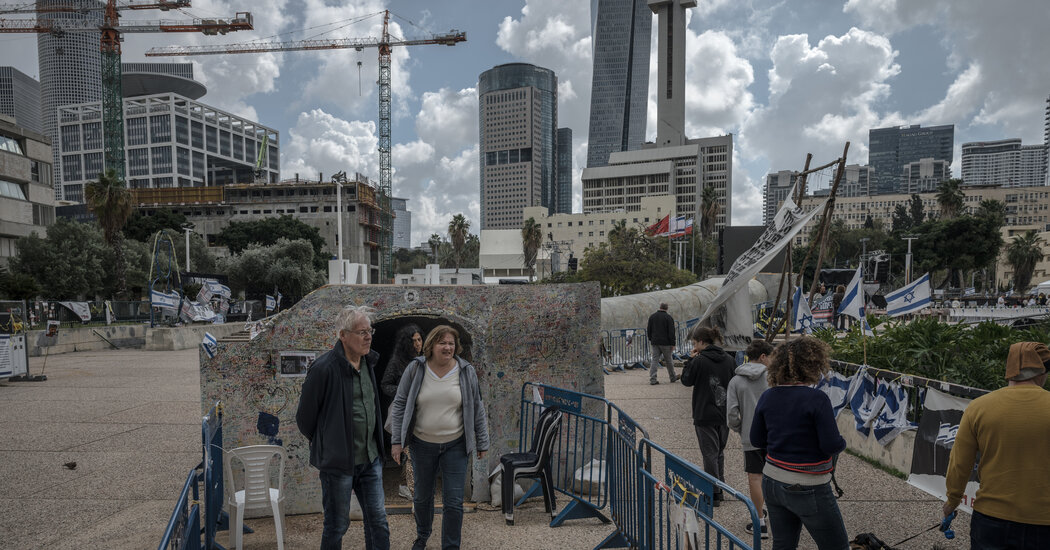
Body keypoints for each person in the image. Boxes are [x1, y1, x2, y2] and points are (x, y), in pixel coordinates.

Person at [296, 305, 390, 550]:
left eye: (370, 330)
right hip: (338, 465)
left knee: (378, 521)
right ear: (343, 335)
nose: (368, 336)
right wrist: (330, 443)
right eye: (361, 332)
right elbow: (305, 419)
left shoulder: (370, 363)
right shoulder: (323, 369)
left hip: (370, 459)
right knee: (337, 525)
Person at [390, 325, 490, 550]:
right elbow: (399, 404)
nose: (447, 347)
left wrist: (482, 441)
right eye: (442, 342)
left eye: (451, 343)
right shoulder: (416, 369)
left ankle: (451, 546)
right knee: (423, 498)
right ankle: (423, 535)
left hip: (456, 445)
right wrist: (397, 441)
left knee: (453, 503)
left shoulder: (466, 371)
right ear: (431, 345)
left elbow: (477, 407)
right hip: (421, 445)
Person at [942, 341, 1050, 549]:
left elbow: (959, 464)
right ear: (1040, 371)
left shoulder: (979, 408)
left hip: (992, 519)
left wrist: (952, 502)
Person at [750, 336, 848, 550]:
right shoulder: (817, 399)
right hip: (809, 485)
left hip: (772, 480)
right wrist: (842, 443)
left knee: (783, 545)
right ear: (813, 365)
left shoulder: (768, 396)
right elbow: (831, 445)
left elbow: (756, 439)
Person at [681, 326, 735, 504]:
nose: (694, 345)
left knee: (709, 452)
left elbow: (686, 381)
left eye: (695, 342)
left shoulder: (699, 360)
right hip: (724, 410)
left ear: (701, 342)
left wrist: (689, 360)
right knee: (719, 451)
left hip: (704, 411)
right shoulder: (729, 359)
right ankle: (720, 485)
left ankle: (713, 490)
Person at [727, 339, 775, 538]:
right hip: (775, 435)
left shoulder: (736, 380)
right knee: (777, 476)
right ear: (763, 356)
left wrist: (741, 428)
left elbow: (731, 414)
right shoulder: (775, 378)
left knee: (755, 477)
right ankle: (781, 519)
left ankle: (760, 522)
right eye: (771, 356)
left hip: (750, 437)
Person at [381, 323, 424, 499]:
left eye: (419, 339)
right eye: (413, 341)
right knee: (409, 449)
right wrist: (403, 393)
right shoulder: (397, 362)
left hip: (423, 412)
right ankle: (413, 490)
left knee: (414, 451)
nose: (417, 344)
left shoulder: (427, 359)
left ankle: (406, 485)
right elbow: (385, 385)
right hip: (406, 412)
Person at [646, 302, 678, 385]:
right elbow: (671, 332)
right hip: (665, 343)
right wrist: (673, 343)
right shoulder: (668, 318)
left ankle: (653, 379)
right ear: (667, 308)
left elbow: (649, 329)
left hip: (655, 342)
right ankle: (672, 377)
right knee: (669, 361)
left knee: (654, 360)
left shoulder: (652, 316)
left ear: (660, 307)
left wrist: (650, 338)